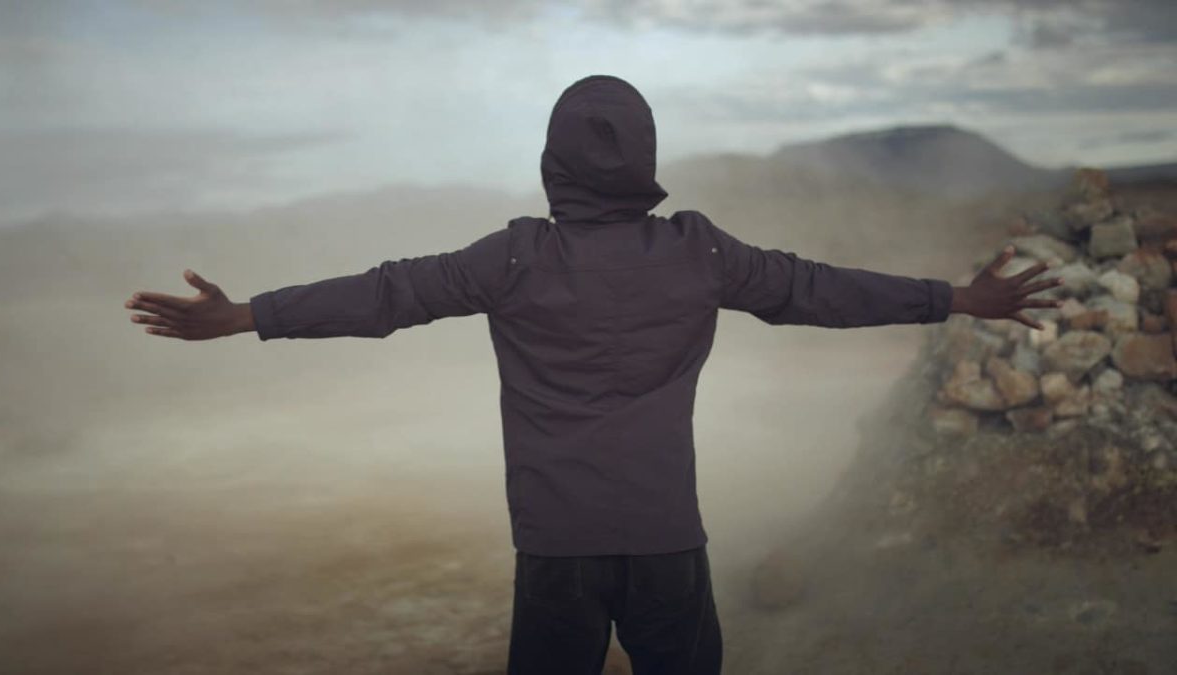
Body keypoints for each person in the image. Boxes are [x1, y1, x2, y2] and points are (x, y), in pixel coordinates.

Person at [123, 74, 1064, 675]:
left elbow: (385, 295)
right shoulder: (700, 252)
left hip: (555, 547)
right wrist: (956, 298)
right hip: (666, 539)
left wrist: (248, 314)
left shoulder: (516, 257)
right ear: (646, 163)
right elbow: (817, 290)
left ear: (551, 165)